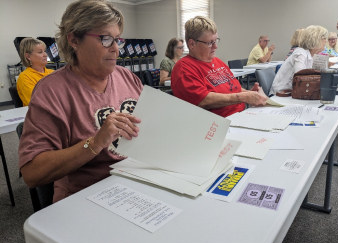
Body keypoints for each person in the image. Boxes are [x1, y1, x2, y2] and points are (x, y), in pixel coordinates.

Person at [19, 0, 142, 203]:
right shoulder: (52, 90)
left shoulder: (127, 77)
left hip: (136, 181)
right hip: (86, 195)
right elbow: (32, 173)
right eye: (105, 39)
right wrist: (95, 142)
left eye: (118, 40)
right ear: (74, 40)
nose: (116, 49)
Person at [171, 16, 267, 118]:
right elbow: (203, 100)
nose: (215, 46)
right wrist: (244, 97)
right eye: (210, 43)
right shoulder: (184, 68)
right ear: (192, 44)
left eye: (216, 41)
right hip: (218, 125)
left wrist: (250, 94)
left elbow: (233, 88)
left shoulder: (217, 61)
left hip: (241, 115)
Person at [270, 25, 328, 95]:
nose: (326, 41)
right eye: (324, 38)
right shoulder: (300, 53)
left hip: (295, 92)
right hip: (281, 94)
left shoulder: (310, 55)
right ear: (315, 39)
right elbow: (300, 77)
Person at [17, 38, 54, 106]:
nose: (45, 55)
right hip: (38, 114)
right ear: (28, 56)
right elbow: (37, 103)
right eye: (40, 52)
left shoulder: (53, 73)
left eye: (44, 51)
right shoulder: (25, 77)